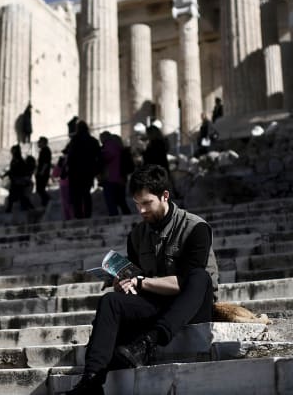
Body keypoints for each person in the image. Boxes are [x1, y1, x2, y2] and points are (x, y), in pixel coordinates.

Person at [62, 165, 219, 395]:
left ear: (165, 196)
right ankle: (92, 381)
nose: (141, 210)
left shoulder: (196, 228)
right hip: (157, 303)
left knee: (199, 277)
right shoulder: (136, 236)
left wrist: (141, 282)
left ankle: (148, 343)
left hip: (192, 304)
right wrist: (124, 284)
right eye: (137, 204)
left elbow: (183, 283)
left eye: (147, 203)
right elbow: (138, 282)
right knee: (111, 301)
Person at [64, 120, 102, 219]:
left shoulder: (74, 140)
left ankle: (79, 215)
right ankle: (87, 215)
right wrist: (97, 171)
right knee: (86, 194)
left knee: (77, 195)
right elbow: (98, 156)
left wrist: (68, 169)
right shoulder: (93, 141)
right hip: (88, 172)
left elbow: (70, 157)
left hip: (75, 172)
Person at [99, 132, 131, 216]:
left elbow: (107, 157)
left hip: (110, 177)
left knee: (111, 202)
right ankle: (127, 216)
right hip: (121, 178)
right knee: (121, 201)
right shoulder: (122, 150)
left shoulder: (108, 147)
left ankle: (114, 217)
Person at [4, 144, 34, 212]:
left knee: (18, 197)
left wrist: (11, 174)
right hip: (16, 181)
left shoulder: (18, 161)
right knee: (20, 197)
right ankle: (28, 208)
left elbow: (18, 171)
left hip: (18, 182)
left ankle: (29, 208)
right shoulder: (16, 160)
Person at [52, 155, 74, 220]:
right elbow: (55, 174)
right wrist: (59, 165)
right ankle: (68, 218)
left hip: (69, 184)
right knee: (66, 204)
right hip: (64, 185)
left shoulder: (72, 161)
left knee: (69, 203)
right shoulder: (62, 164)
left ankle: (71, 218)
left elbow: (55, 174)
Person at [36, 136, 52, 207]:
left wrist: (42, 172)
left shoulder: (46, 150)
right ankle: (45, 202)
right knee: (39, 189)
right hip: (41, 173)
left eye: (40, 141)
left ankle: (48, 201)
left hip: (43, 173)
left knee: (40, 189)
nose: (38, 143)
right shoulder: (43, 150)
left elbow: (46, 162)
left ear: (43, 142)